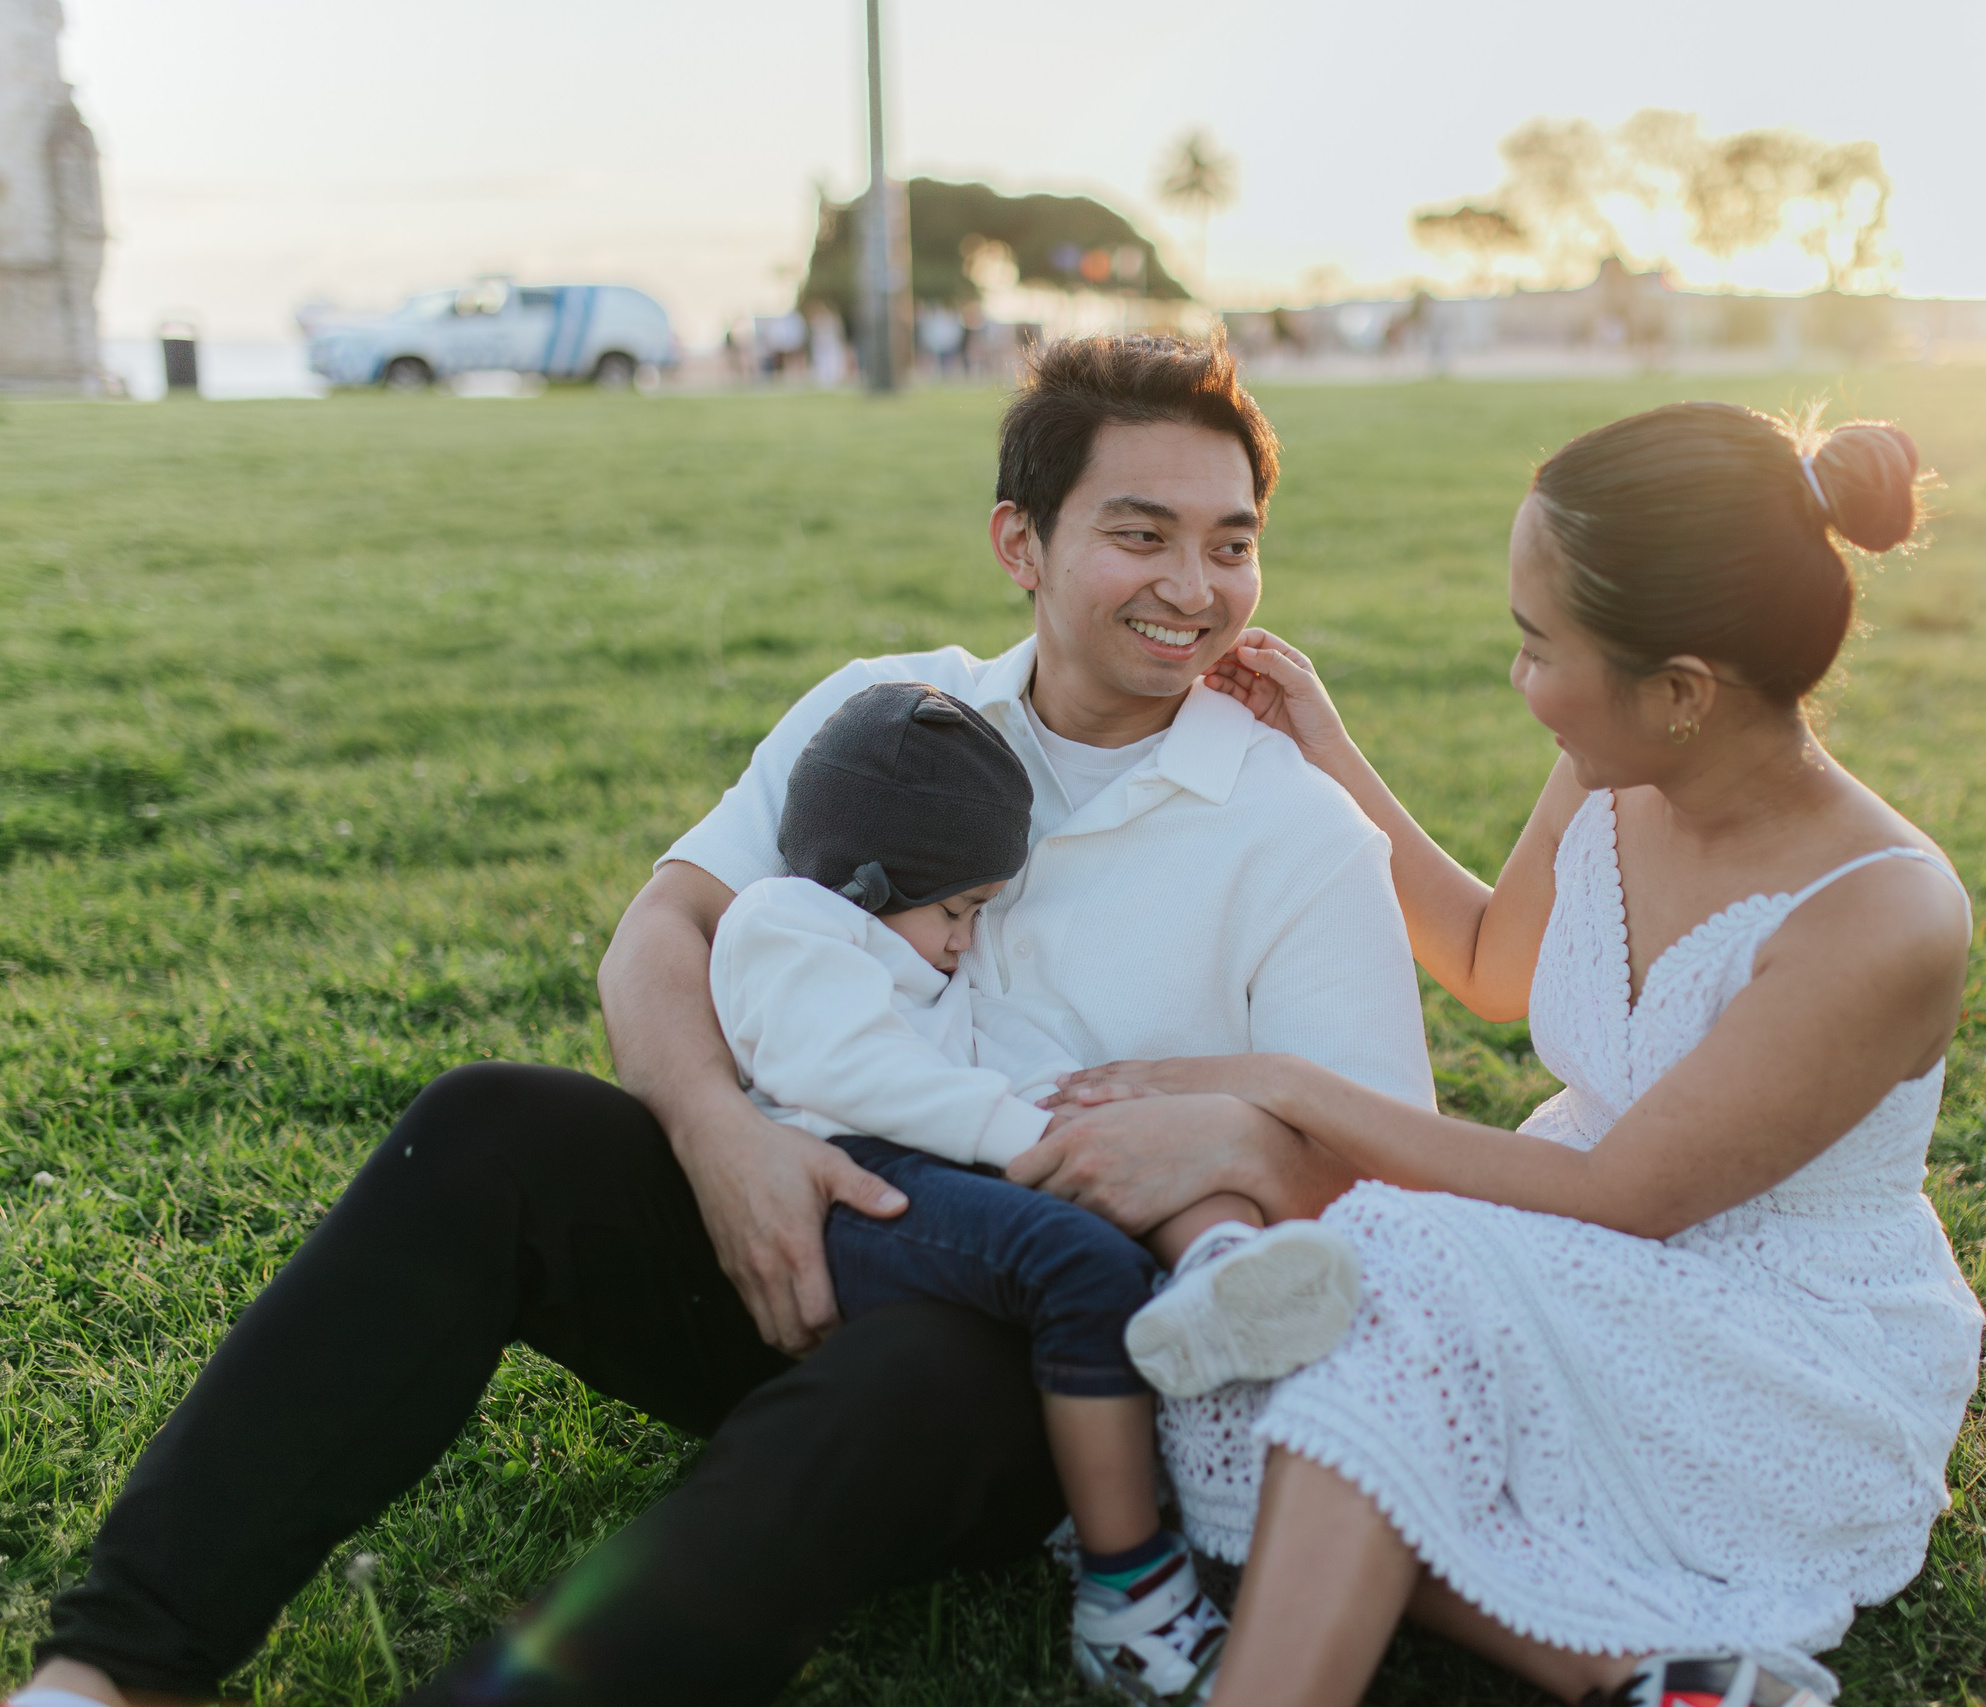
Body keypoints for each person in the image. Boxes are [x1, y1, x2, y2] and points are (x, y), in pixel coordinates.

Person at [18, 332, 1432, 1707]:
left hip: (1042, 1342)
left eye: (1231, 541)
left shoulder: (1297, 833)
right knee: (487, 1122)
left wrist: (1203, 1135)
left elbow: (1384, 1180)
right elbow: (664, 927)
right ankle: (113, 1664)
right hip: (778, 1221)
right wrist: (717, 1138)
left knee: (906, 1381)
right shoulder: (894, 711)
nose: (1194, 584)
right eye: (1142, 533)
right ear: (1022, 542)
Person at [1051, 403, 1985, 1706]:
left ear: (1682, 689)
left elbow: (1628, 1199)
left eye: (1541, 646)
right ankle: (1642, 1666)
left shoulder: (1883, 913)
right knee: (1343, 1312)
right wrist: (1323, 743)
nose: (1521, 679)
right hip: (1589, 1253)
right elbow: (1495, 960)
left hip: (1783, 1352)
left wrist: (1275, 1087)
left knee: (1374, 1280)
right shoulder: (1624, 759)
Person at [712, 678, 1368, 1700]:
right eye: (960, 909)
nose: (966, 936)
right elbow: (850, 1073)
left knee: (1138, 1159)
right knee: (1080, 1269)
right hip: (855, 1184)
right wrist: (1023, 1132)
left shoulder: (907, 949)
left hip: (932, 1164)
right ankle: (1127, 1588)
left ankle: (1218, 1274)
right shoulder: (784, 924)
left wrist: (1084, 1109)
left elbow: (984, 1049)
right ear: (877, 876)